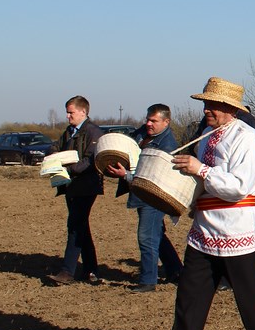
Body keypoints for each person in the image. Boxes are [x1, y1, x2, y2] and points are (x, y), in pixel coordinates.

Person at [144, 77, 255, 330]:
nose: (206, 110)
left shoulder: (247, 138)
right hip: (203, 231)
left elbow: (240, 187)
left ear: (231, 108)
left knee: (248, 296)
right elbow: (199, 181)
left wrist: (200, 169)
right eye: (205, 104)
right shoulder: (205, 135)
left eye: (213, 105)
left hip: (235, 230)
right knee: (189, 296)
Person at [105, 104, 183, 292]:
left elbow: (151, 178)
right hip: (141, 194)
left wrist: (125, 175)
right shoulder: (143, 133)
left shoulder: (167, 147)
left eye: (154, 121)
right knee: (157, 234)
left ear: (166, 122)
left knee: (146, 236)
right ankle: (176, 271)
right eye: (147, 119)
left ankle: (148, 280)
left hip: (154, 195)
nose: (148, 123)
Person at [45, 95, 105, 286]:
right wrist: (52, 154)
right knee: (81, 227)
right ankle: (91, 270)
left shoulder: (94, 132)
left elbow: (90, 160)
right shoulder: (69, 131)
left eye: (71, 112)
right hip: (71, 186)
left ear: (83, 112)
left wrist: (68, 169)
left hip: (86, 186)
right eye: (67, 112)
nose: (67, 116)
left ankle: (67, 271)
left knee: (75, 226)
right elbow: (56, 146)